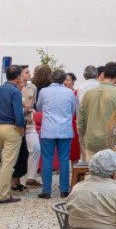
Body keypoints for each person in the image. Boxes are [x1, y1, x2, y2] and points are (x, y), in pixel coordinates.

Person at [0, 64, 26, 204]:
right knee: (8, 162)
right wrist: (21, 127)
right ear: (18, 77)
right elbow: (18, 113)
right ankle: (3, 194)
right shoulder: (15, 92)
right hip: (11, 128)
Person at [35, 69, 78, 199]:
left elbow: (39, 107)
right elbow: (73, 110)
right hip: (65, 130)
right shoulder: (70, 92)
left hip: (48, 130)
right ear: (64, 79)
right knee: (64, 160)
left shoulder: (44, 91)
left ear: (51, 78)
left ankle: (46, 190)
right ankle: (64, 190)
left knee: (47, 160)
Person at [77, 62, 116, 161]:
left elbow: (81, 120)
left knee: (92, 171)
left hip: (91, 140)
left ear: (103, 74)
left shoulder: (88, 94)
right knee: (111, 172)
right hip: (112, 140)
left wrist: (84, 135)